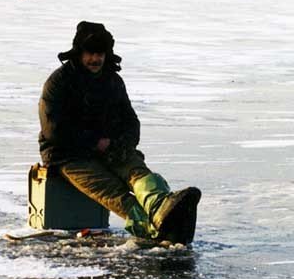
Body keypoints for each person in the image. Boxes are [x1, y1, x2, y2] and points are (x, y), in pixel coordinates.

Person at [38, 21, 201, 244]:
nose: (95, 59)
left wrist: (122, 145)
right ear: (79, 53)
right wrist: (94, 142)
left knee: (136, 171)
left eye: (100, 54)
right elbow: (53, 130)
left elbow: (131, 122)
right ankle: (153, 229)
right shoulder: (59, 82)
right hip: (68, 155)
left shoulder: (112, 81)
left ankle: (161, 206)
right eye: (90, 53)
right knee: (114, 192)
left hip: (109, 148)